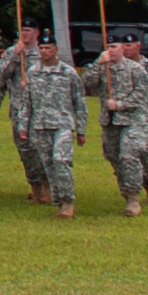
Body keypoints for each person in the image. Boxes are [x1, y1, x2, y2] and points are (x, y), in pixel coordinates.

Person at [102, 39, 148, 216]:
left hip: (146, 119)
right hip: (120, 119)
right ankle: (136, 187)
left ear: (138, 46)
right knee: (117, 156)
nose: (125, 48)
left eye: (129, 45)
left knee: (136, 151)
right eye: (123, 45)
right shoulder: (111, 68)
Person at [23, 39, 88, 218]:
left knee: (60, 160)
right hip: (41, 126)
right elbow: (27, 102)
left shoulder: (68, 73)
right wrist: (23, 125)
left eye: (48, 48)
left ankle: (68, 201)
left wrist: (81, 129)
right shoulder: (33, 72)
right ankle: (58, 201)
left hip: (63, 125)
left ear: (56, 50)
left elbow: (80, 103)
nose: (44, 51)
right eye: (41, 48)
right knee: (49, 165)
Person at [0, 25, 52, 204]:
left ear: (37, 33)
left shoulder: (44, 52)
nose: (24, 33)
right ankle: (36, 187)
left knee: (42, 149)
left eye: (29, 30)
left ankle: (48, 186)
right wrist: (15, 57)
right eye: (22, 30)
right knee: (25, 150)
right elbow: (1, 77)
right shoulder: (12, 52)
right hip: (19, 109)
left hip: (41, 109)